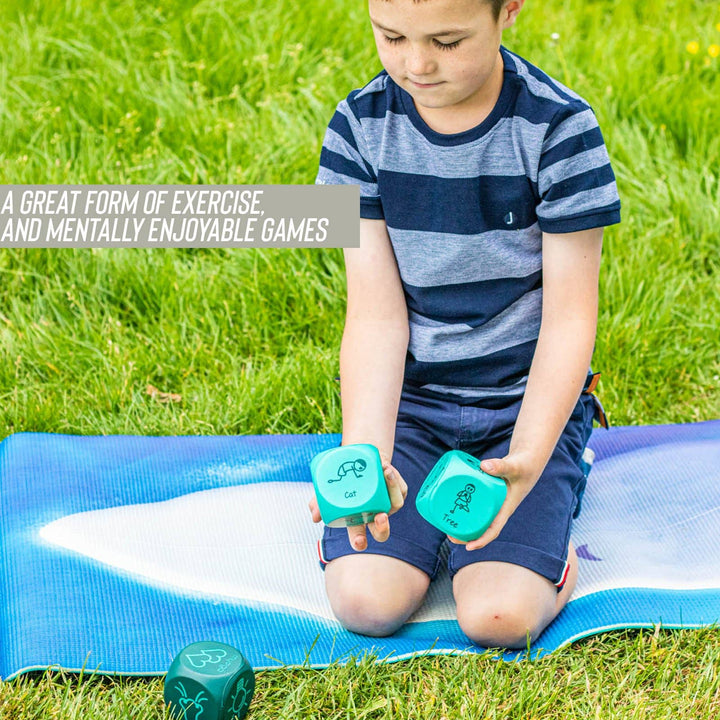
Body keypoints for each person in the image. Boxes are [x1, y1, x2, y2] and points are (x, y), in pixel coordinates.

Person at [309, 0, 620, 648]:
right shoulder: (357, 128)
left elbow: (569, 321)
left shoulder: (560, 131)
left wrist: (529, 461)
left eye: (448, 41)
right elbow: (373, 316)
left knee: (498, 618)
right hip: (416, 409)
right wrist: (367, 455)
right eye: (390, 36)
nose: (416, 64)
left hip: (522, 409)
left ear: (509, 10)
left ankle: (554, 502)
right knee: (365, 603)